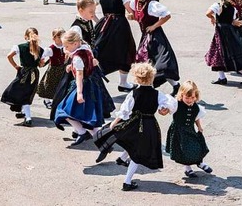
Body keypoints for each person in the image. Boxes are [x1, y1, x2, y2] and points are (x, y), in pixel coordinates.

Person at [94, 63, 175, 191]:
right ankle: (127, 182)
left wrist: (114, 123)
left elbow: (125, 110)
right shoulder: (158, 94)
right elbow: (165, 107)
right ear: (152, 77)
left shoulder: (134, 93)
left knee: (135, 144)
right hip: (148, 125)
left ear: (136, 78)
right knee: (138, 152)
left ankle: (122, 159)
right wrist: (164, 110)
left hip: (133, 123)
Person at [53, 28, 108, 145]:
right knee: (86, 116)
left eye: (67, 46)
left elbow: (79, 75)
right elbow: (91, 61)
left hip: (83, 86)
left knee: (62, 110)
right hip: (92, 85)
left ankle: (83, 133)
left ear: (75, 43)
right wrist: (71, 66)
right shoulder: (86, 49)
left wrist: (79, 93)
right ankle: (102, 142)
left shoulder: (77, 57)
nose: (65, 49)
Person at [129, 0, 180, 93]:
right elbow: (140, 17)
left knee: (162, 62)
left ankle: (176, 86)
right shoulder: (135, 3)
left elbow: (167, 15)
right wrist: (133, 17)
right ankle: (146, 87)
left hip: (156, 36)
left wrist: (153, 26)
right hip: (145, 36)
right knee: (145, 61)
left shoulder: (152, 4)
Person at [94, 0, 137, 92]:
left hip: (105, 25)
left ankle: (98, 79)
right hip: (120, 26)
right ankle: (123, 83)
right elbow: (131, 11)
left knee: (104, 51)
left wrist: (98, 21)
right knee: (125, 51)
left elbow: (90, 8)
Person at [205, 0, 242, 85]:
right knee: (227, 54)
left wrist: (213, 18)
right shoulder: (233, 8)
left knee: (221, 53)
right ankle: (223, 77)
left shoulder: (217, 6)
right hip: (229, 31)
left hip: (221, 32)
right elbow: (232, 20)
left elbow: (208, 13)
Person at [1, 27, 48, 127]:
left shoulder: (19, 47)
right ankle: (23, 111)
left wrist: (15, 66)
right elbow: (40, 65)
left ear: (25, 36)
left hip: (23, 73)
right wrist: (46, 62)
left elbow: (9, 56)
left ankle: (28, 118)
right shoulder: (41, 50)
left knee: (17, 92)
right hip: (34, 74)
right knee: (27, 93)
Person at [165, 80, 212, 178]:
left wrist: (199, 127)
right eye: (187, 97)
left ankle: (200, 163)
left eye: (192, 97)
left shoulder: (196, 107)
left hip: (190, 129)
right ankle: (188, 169)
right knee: (185, 150)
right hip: (179, 131)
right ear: (181, 95)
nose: (190, 100)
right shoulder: (176, 104)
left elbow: (196, 117)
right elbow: (167, 109)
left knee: (197, 146)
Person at [37, 28, 67, 109]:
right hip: (53, 70)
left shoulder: (65, 46)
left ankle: (59, 99)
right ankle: (47, 101)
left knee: (61, 84)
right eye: (59, 37)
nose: (62, 40)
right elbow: (42, 57)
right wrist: (41, 61)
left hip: (63, 68)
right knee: (49, 85)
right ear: (54, 38)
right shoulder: (51, 49)